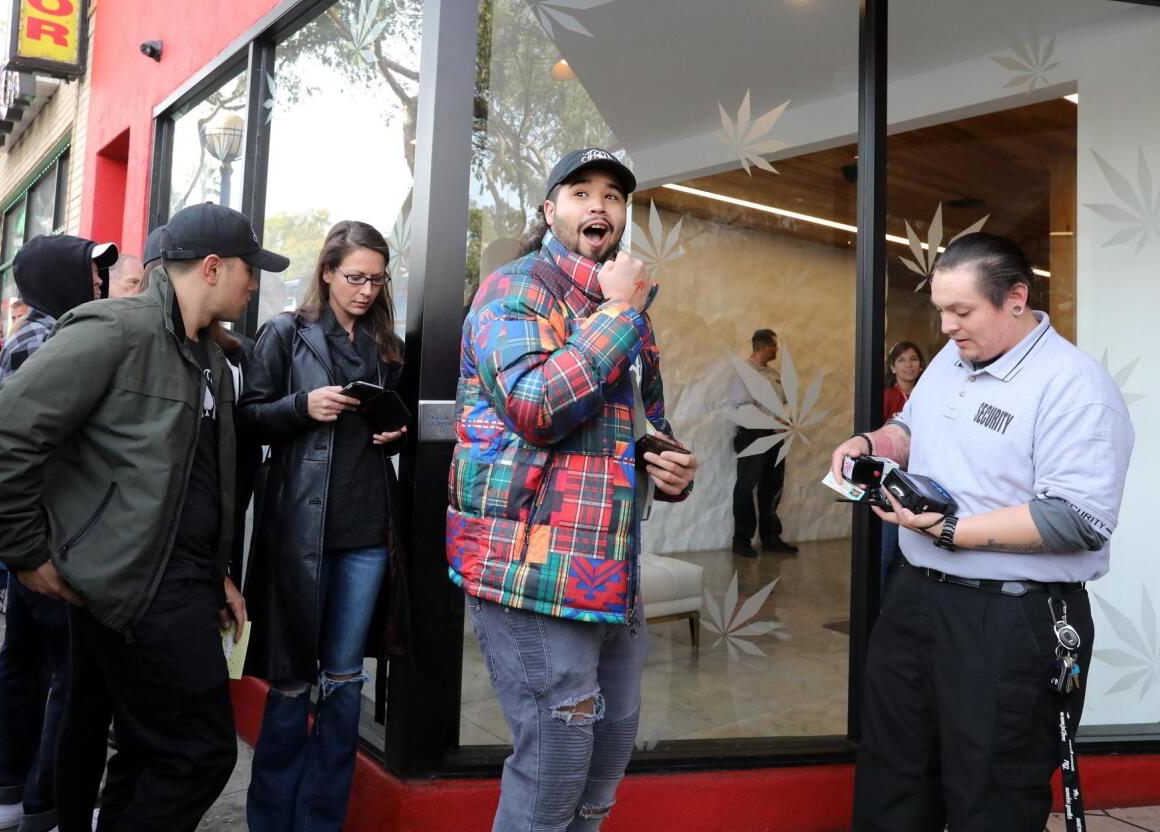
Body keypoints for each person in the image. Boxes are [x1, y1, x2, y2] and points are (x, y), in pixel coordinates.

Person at [0, 203, 288, 832]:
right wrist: (26, 553)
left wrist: (215, 570)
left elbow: (192, 482)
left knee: (149, 748)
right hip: (130, 589)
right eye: (250, 270)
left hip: (181, 582)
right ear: (213, 268)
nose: (255, 285)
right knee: (201, 752)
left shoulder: (209, 357)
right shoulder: (114, 331)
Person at [829, 233, 1134, 832]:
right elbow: (909, 427)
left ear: (1015, 298)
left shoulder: (1075, 387)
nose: (945, 326)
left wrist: (950, 529)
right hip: (916, 600)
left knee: (990, 792)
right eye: (941, 309)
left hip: (1010, 620)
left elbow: (1077, 519)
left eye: (961, 311)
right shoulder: (953, 357)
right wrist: (873, 445)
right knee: (893, 777)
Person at [448, 148, 697, 831]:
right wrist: (621, 311)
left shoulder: (628, 312)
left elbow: (646, 423)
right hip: (532, 564)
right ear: (548, 209)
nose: (599, 206)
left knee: (607, 750)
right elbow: (535, 406)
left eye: (613, 196)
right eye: (581, 192)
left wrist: (663, 461)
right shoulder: (515, 289)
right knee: (554, 764)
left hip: (611, 567)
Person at [240, 220, 408, 830]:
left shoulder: (387, 343)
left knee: (343, 683)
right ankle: (270, 820)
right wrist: (302, 407)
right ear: (329, 272)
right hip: (299, 533)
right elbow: (248, 418)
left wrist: (398, 431)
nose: (365, 289)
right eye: (355, 276)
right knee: (288, 686)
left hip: (366, 531)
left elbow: (396, 421)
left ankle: (322, 820)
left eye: (376, 278)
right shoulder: (286, 333)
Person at [0, 233, 117, 832]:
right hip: (51, 537)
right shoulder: (48, 339)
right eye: (89, 271)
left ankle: (12, 792)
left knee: (24, 662)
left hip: (34, 535)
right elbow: (28, 448)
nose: (99, 282)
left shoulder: (38, 334)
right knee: (68, 674)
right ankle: (47, 802)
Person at [728, 328, 798, 556]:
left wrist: (783, 419)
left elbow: (786, 402)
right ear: (763, 346)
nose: (776, 350)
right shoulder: (744, 371)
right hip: (753, 436)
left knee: (772, 488)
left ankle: (770, 538)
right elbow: (743, 406)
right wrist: (773, 421)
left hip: (775, 436)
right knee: (746, 487)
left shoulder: (773, 374)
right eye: (774, 345)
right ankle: (742, 541)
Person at [878, 341, 925, 593]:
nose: (909, 365)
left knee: (912, 554)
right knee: (887, 551)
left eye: (914, 359)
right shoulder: (886, 397)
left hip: (921, 479)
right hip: (892, 480)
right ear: (892, 367)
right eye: (902, 360)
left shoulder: (929, 395)